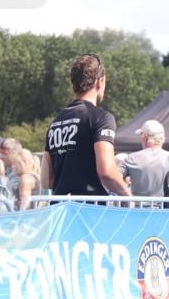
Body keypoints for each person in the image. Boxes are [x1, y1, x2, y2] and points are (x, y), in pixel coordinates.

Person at [41, 54, 131, 198]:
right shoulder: (102, 118)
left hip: (61, 210)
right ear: (99, 82)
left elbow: (47, 181)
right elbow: (106, 172)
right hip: (89, 211)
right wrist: (128, 195)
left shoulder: (56, 122)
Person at [118, 120, 169, 197]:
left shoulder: (132, 158)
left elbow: (114, 177)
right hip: (166, 207)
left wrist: (127, 195)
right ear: (163, 139)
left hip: (139, 207)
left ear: (145, 138)